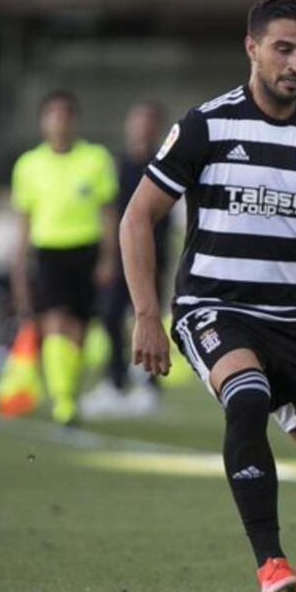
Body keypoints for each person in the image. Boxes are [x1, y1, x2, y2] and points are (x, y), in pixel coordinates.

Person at [119, 0, 296, 592]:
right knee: (246, 396)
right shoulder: (206, 125)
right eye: (283, 49)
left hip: (295, 317)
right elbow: (137, 218)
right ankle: (272, 564)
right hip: (213, 306)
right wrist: (147, 315)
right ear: (252, 48)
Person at [10, 91, 118, 425]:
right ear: (43, 122)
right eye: (53, 114)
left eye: (66, 114)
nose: (60, 120)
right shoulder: (29, 165)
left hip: (86, 251)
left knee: (79, 329)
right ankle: (64, 401)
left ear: (76, 120)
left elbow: (109, 214)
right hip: (49, 253)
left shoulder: (96, 159)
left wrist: (108, 258)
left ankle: (68, 390)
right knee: (54, 320)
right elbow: (24, 221)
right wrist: (19, 265)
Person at [83, 102, 170, 417]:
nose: (142, 128)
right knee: (110, 315)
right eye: (137, 121)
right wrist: (106, 255)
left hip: (153, 254)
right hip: (120, 255)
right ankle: (117, 380)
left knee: (148, 316)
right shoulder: (117, 166)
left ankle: (149, 384)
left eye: (148, 122)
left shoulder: (166, 164)